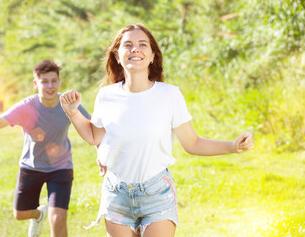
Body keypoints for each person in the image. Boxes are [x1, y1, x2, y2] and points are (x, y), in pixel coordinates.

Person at [60, 24, 254, 237]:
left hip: (156, 193)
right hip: (116, 194)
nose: (135, 49)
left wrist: (233, 146)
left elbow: (192, 143)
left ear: (152, 56)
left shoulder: (169, 95)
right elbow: (94, 136)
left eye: (142, 44)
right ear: (117, 56)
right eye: (128, 45)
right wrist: (73, 112)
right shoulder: (106, 96)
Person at [0, 59, 90, 237]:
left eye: (53, 80)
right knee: (20, 214)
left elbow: (92, 126)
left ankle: (49, 215)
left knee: (58, 220)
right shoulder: (27, 106)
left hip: (60, 167)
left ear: (59, 82)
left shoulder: (67, 104)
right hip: (31, 166)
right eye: (44, 81)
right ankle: (38, 215)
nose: (50, 85)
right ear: (35, 83)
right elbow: (0, 120)